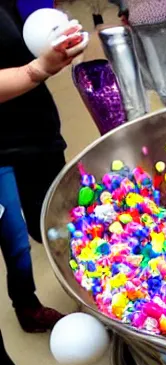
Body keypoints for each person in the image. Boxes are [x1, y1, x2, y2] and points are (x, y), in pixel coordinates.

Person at [0, 5, 86, 365]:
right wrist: (37, 69)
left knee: (46, 228)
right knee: (10, 237)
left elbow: (36, 23)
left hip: (33, 133)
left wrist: (58, 40)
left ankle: (26, 305)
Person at [0, 0, 75, 244]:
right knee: (49, 230)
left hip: (40, 131)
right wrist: (38, 69)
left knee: (67, 215)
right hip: (13, 150)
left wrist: (53, 38)